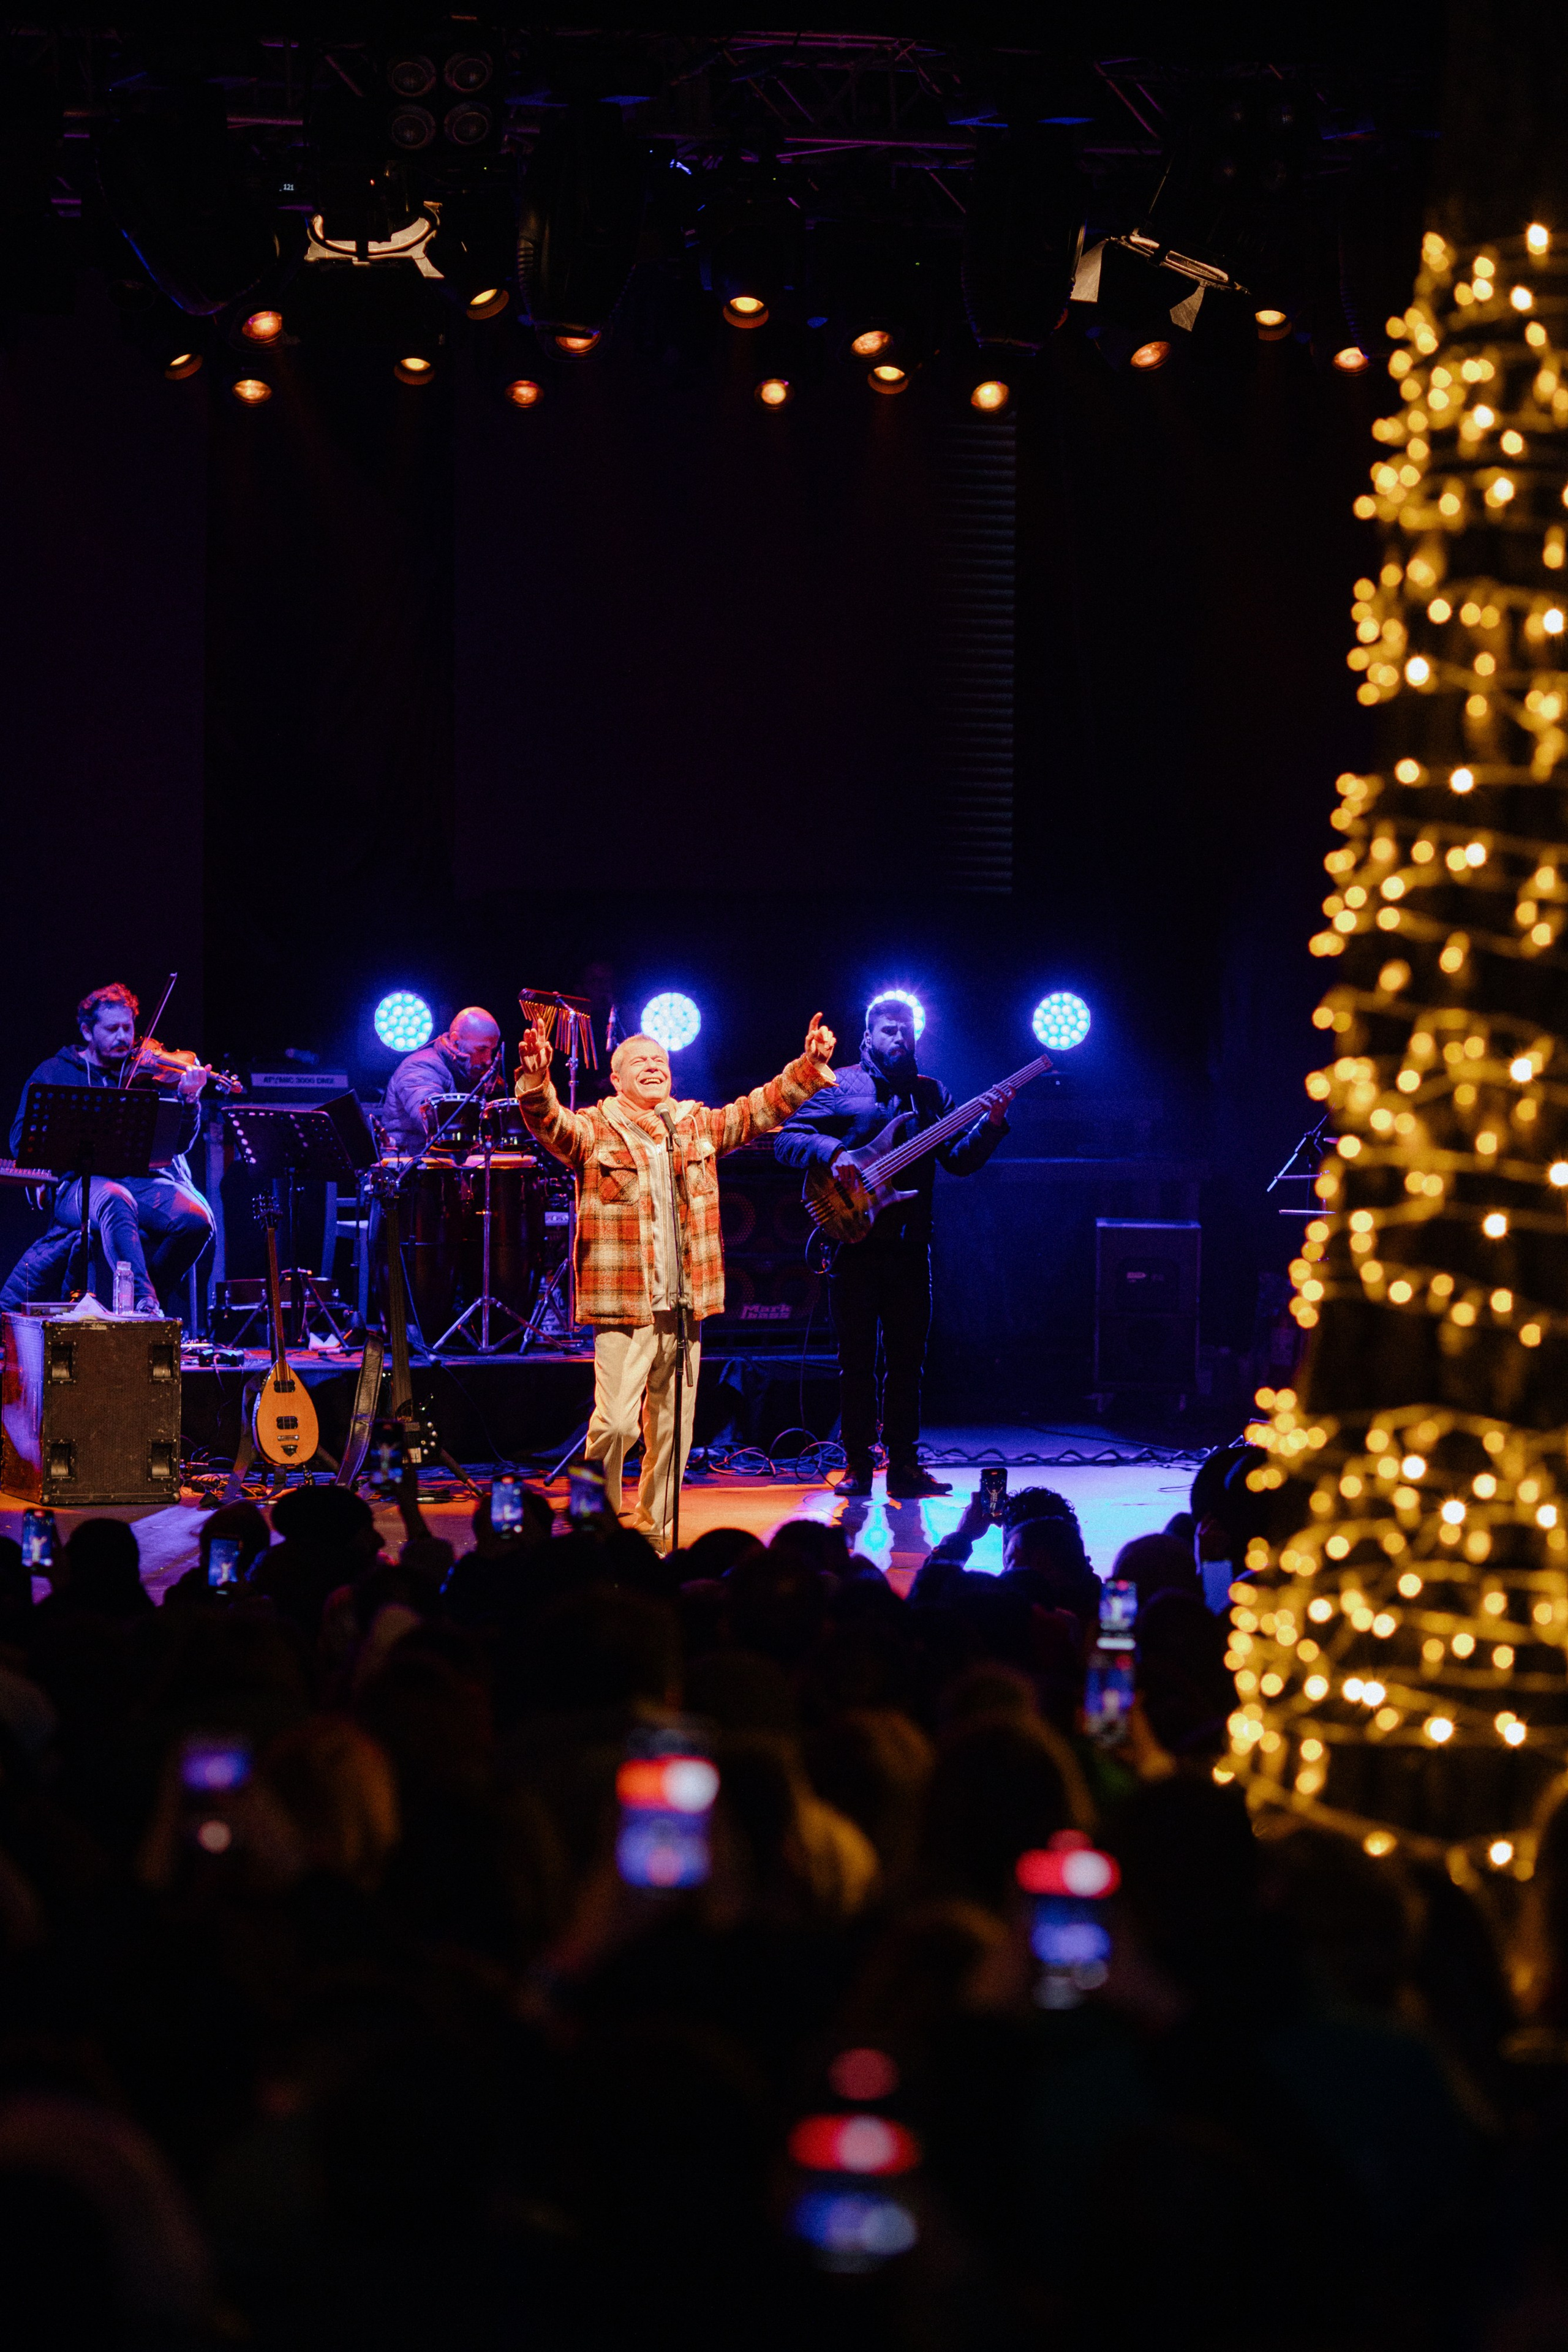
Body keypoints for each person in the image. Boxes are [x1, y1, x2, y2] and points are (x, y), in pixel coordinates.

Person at [514, 1013, 838, 1550]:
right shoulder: (596, 1128)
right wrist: (535, 1083)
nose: (653, 1067)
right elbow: (551, 1124)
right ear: (615, 1080)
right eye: (639, 1061)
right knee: (616, 1425)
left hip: (686, 1301)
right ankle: (594, 1527)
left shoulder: (693, 1125)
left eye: (660, 1062)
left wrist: (809, 1067)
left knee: (672, 1430)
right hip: (625, 1302)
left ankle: (657, 1531)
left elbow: (758, 1110)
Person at [772, 992, 1012, 1498]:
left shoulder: (932, 1094)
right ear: (869, 1035)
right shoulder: (839, 1084)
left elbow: (960, 1162)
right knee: (855, 1363)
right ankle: (859, 1465)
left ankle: (903, 1464)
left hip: (910, 1246)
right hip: (853, 1244)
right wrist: (834, 1151)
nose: (900, 1037)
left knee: (907, 1363)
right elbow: (787, 1138)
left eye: (906, 1028)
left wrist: (991, 1125)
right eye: (889, 1029)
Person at [0, 984, 214, 1319]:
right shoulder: (56, 1071)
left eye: (128, 1028)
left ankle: (141, 1298)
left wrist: (190, 1100)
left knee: (196, 1220)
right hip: (79, 1187)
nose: (124, 1037)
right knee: (115, 1197)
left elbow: (179, 1145)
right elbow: (20, 1140)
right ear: (87, 1031)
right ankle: (144, 1304)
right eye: (112, 1029)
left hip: (141, 1180)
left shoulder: (147, 1075)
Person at [378, 1006, 502, 1152]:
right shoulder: (420, 1067)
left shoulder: (467, 1074)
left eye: (492, 1051)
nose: (488, 1060)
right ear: (456, 1040)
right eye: (482, 1050)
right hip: (411, 1167)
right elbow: (434, 1122)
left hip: (439, 1165)